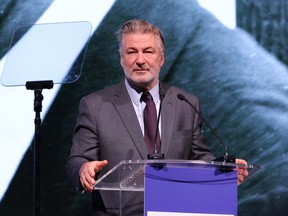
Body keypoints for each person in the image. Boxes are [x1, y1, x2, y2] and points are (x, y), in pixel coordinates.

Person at [66, 19, 248, 215]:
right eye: (132, 52)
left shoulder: (185, 103)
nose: (140, 60)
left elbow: (198, 157)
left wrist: (221, 170)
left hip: (176, 209)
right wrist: (83, 169)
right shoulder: (95, 106)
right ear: (121, 59)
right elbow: (76, 161)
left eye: (148, 51)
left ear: (161, 59)